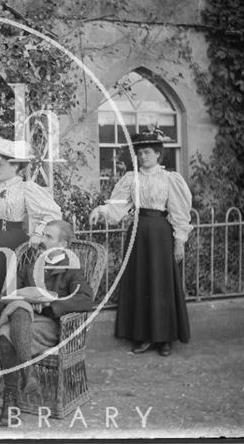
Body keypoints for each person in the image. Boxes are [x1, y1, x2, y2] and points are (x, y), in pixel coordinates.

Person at [89, 129, 192, 357]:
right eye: (139, 153)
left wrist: (179, 242)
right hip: (137, 233)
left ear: (157, 155)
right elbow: (117, 205)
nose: (142, 157)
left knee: (161, 283)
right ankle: (144, 336)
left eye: (147, 152)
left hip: (160, 234)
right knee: (141, 282)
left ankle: (164, 338)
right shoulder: (131, 179)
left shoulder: (169, 179)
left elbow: (179, 212)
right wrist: (100, 210)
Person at [0, 220, 93, 427]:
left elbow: (85, 299)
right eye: (43, 235)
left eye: (49, 237)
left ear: (63, 244)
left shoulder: (71, 270)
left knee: (6, 337)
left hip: (49, 324)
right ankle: (27, 376)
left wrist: (49, 306)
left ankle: (10, 401)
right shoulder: (30, 267)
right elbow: (7, 294)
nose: (42, 241)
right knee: (17, 312)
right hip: (22, 318)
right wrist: (23, 297)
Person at [0, 137, 63, 302]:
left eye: (1, 164)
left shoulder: (25, 188)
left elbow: (53, 213)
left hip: (18, 244)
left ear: (14, 166)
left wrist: (38, 232)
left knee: (15, 286)